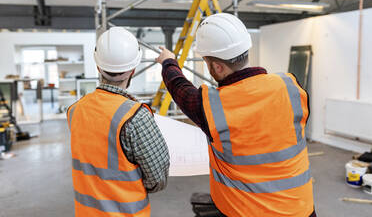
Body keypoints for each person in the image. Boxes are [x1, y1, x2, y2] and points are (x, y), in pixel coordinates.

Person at [156, 13, 315, 217]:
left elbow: (180, 88)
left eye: (207, 62)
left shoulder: (212, 106)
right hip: (300, 210)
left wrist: (169, 62)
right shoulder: (290, 86)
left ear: (217, 67)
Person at [67, 27, 170, 217]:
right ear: (133, 70)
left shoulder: (75, 110)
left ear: (98, 67)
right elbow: (158, 179)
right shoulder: (136, 116)